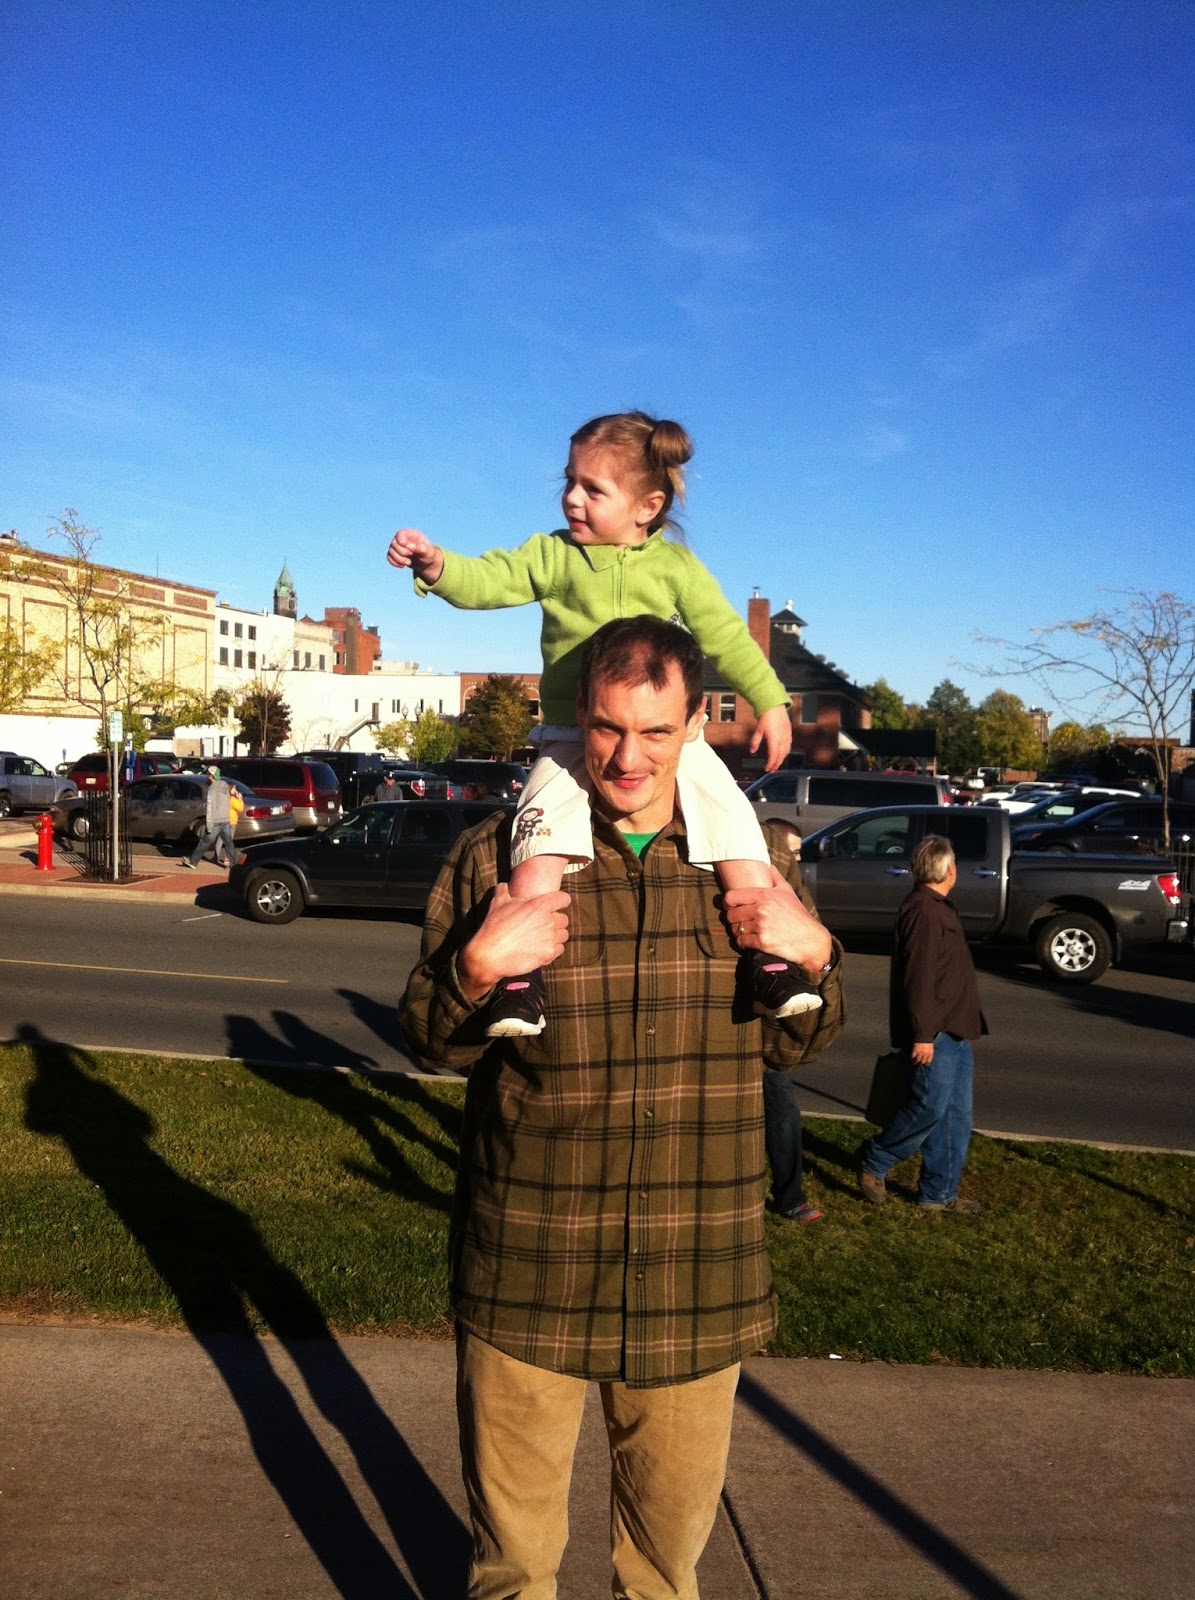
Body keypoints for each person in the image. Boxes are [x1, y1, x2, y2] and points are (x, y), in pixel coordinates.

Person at [399, 616, 845, 1598]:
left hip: (695, 1278)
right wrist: (474, 970)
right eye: (606, 727)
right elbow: (427, 1039)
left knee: (663, 1575)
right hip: (530, 1269)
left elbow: (795, 1043)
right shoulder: (497, 856)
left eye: (654, 731)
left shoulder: (755, 858)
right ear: (578, 720)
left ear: (694, 725)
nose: (627, 757)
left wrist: (816, 957)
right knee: (510, 1574)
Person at [387, 410, 822, 1040]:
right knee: (538, 841)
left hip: (665, 733)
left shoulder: (674, 567)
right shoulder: (553, 556)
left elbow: (726, 635)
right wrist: (436, 566)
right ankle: (520, 978)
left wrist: (771, 701)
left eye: (593, 489)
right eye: (569, 482)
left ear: (648, 506)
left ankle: (771, 962)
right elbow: (490, 579)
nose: (572, 498)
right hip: (573, 735)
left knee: (734, 824)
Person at [857, 834, 987, 1212]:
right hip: (935, 1031)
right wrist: (923, 1034)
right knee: (927, 1107)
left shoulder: (937, 906)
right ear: (949, 870)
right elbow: (919, 977)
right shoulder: (923, 911)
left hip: (955, 1026)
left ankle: (939, 1193)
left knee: (955, 1116)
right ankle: (875, 1159)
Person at [181, 765, 236, 870]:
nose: (207, 776)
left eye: (208, 774)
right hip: (226, 819)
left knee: (206, 841)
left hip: (215, 820)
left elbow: (210, 808)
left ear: (211, 775)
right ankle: (234, 865)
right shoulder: (224, 785)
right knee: (229, 842)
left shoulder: (212, 788)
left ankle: (193, 861)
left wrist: (209, 824)